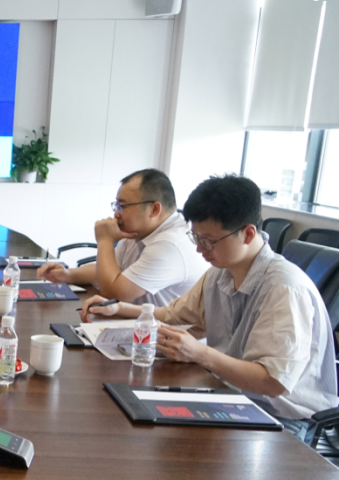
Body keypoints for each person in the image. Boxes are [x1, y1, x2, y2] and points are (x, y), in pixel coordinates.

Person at [79, 174, 338, 441]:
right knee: (133, 417)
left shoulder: (284, 288)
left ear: (248, 234)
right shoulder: (220, 272)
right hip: (231, 396)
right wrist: (119, 308)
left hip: (282, 418)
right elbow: (173, 315)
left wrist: (199, 354)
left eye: (208, 241)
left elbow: (272, 382)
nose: (200, 250)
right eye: (196, 238)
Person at [39, 169, 207, 306]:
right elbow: (110, 271)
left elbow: (114, 293)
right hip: (137, 327)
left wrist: (105, 241)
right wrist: (67, 274)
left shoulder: (171, 244)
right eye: (116, 205)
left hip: (163, 336)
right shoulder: (139, 231)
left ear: (154, 209)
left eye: (123, 205)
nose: (116, 213)